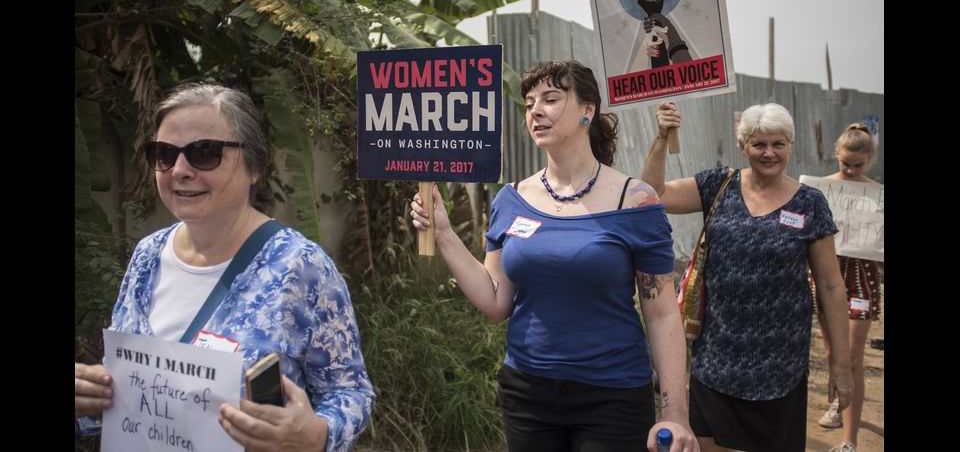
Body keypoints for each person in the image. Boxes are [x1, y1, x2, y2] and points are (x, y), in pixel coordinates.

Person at [410, 60, 698, 452]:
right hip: (527, 393)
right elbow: (496, 303)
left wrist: (675, 414)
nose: (536, 111)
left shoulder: (635, 201)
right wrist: (443, 234)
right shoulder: (510, 200)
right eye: (529, 103)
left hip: (612, 395)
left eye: (550, 99)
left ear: (587, 110)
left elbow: (662, 313)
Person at [74, 82, 374, 451]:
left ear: (255, 167)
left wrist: (318, 435)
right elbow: (132, 386)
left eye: (204, 153)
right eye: (164, 154)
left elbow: (350, 391)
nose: (180, 170)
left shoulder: (300, 267)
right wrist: (91, 398)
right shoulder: (148, 255)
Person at [642, 101, 853, 452]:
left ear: (791, 145)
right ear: (742, 146)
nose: (769, 152)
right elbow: (652, 196)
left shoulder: (810, 204)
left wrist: (841, 366)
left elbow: (831, 288)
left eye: (778, 144)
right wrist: (662, 137)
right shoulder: (717, 185)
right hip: (716, 362)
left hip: (780, 368)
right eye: (759, 144)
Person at [812, 123, 882, 452]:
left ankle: (849, 442)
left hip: (862, 278)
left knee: (853, 356)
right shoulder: (821, 189)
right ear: (836, 154)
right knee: (831, 352)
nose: (851, 170)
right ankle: (838, 405)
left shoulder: (877, 195)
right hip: (828, 276)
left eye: (858, 165)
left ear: (870, 159)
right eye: (845, 164)